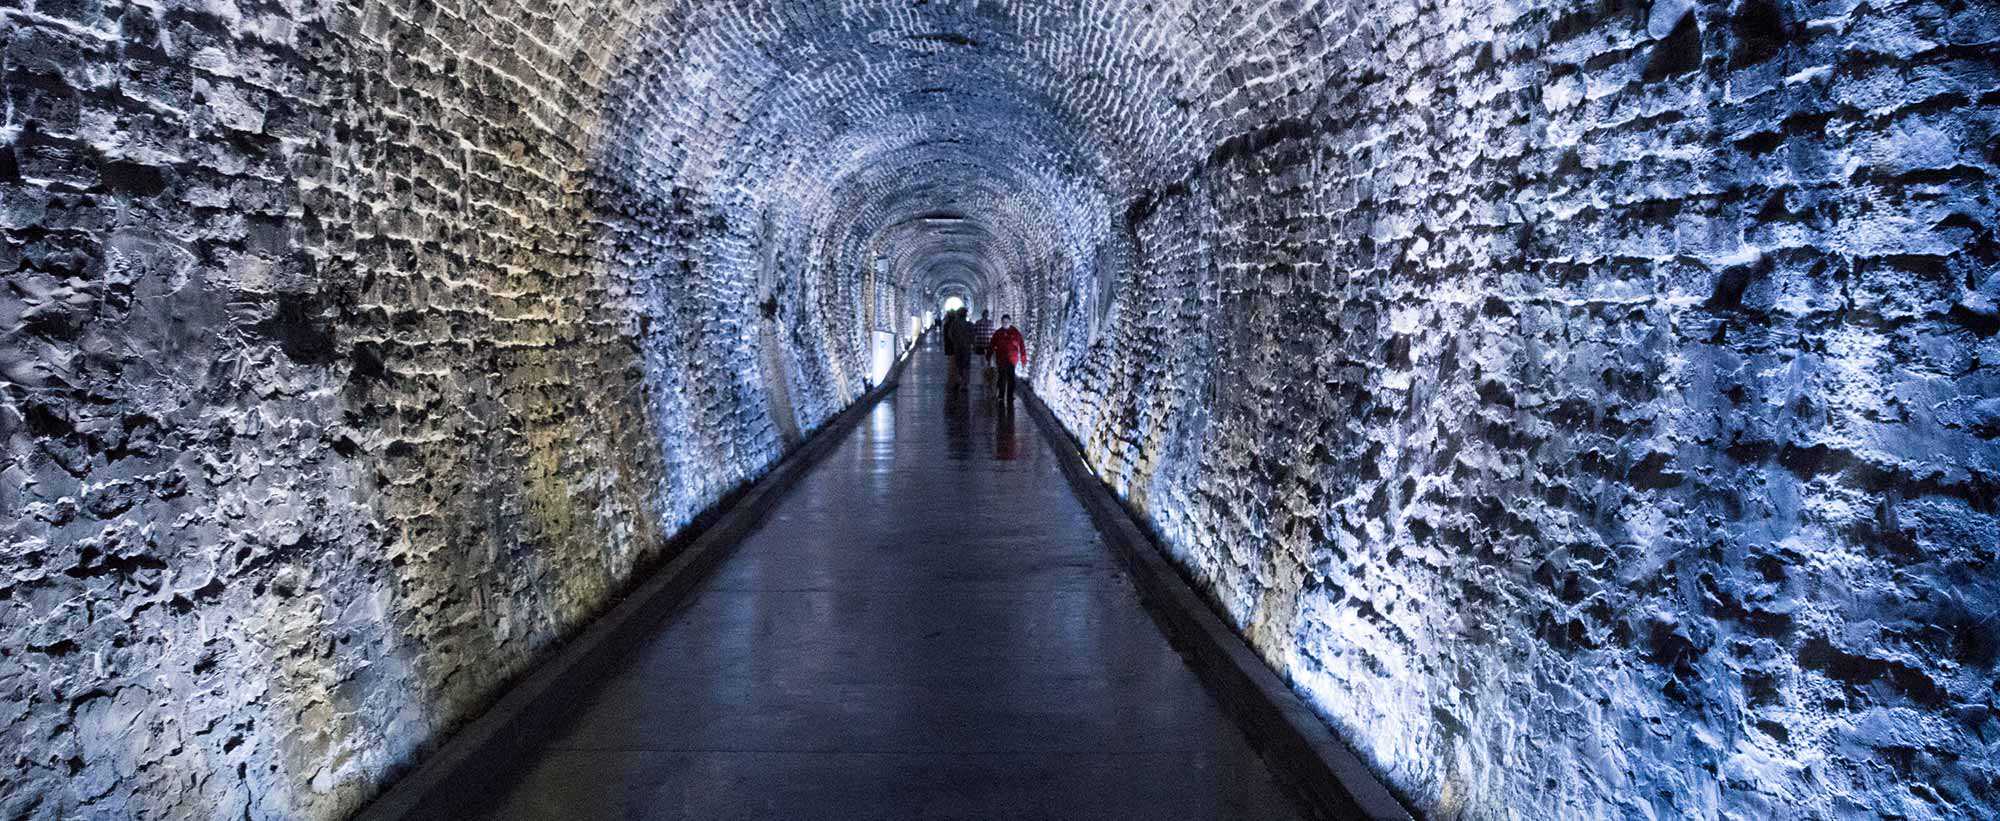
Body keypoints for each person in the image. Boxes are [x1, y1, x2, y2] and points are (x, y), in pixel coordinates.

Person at [988, 314, 1026, 405]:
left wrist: (1023, 359)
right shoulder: (998, 333)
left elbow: (1021, 346)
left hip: (1012, 360)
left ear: (1010, 322)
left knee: (1011, 378)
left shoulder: (1015, 333)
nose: (1005, 323)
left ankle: (1009, 396)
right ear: (1001, 322)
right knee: (1002, 378)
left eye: (1007, 322)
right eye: (1004, 322)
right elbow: (992, 344)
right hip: (1001, 359)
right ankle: (1001, 396)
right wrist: (988, 356)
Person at [944, 308, 973, 391]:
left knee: (958, 365)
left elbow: (950, 335)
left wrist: (956, 341)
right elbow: (973, 336)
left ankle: (959, 381)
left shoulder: (954, 324)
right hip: (966, 348)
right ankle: (965, 383)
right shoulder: (969, 325)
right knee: (966, 366)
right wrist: (971, 343)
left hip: (957, 347)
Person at [971, 309, 996, 390]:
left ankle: (985, 371)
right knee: (986, 359)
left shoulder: (978, 322)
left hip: (981, 343)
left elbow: (974, 333)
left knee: (983, 359)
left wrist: (973, 343)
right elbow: (993, 333)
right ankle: (986, 371)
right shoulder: (990, 323)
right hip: (986, 343)